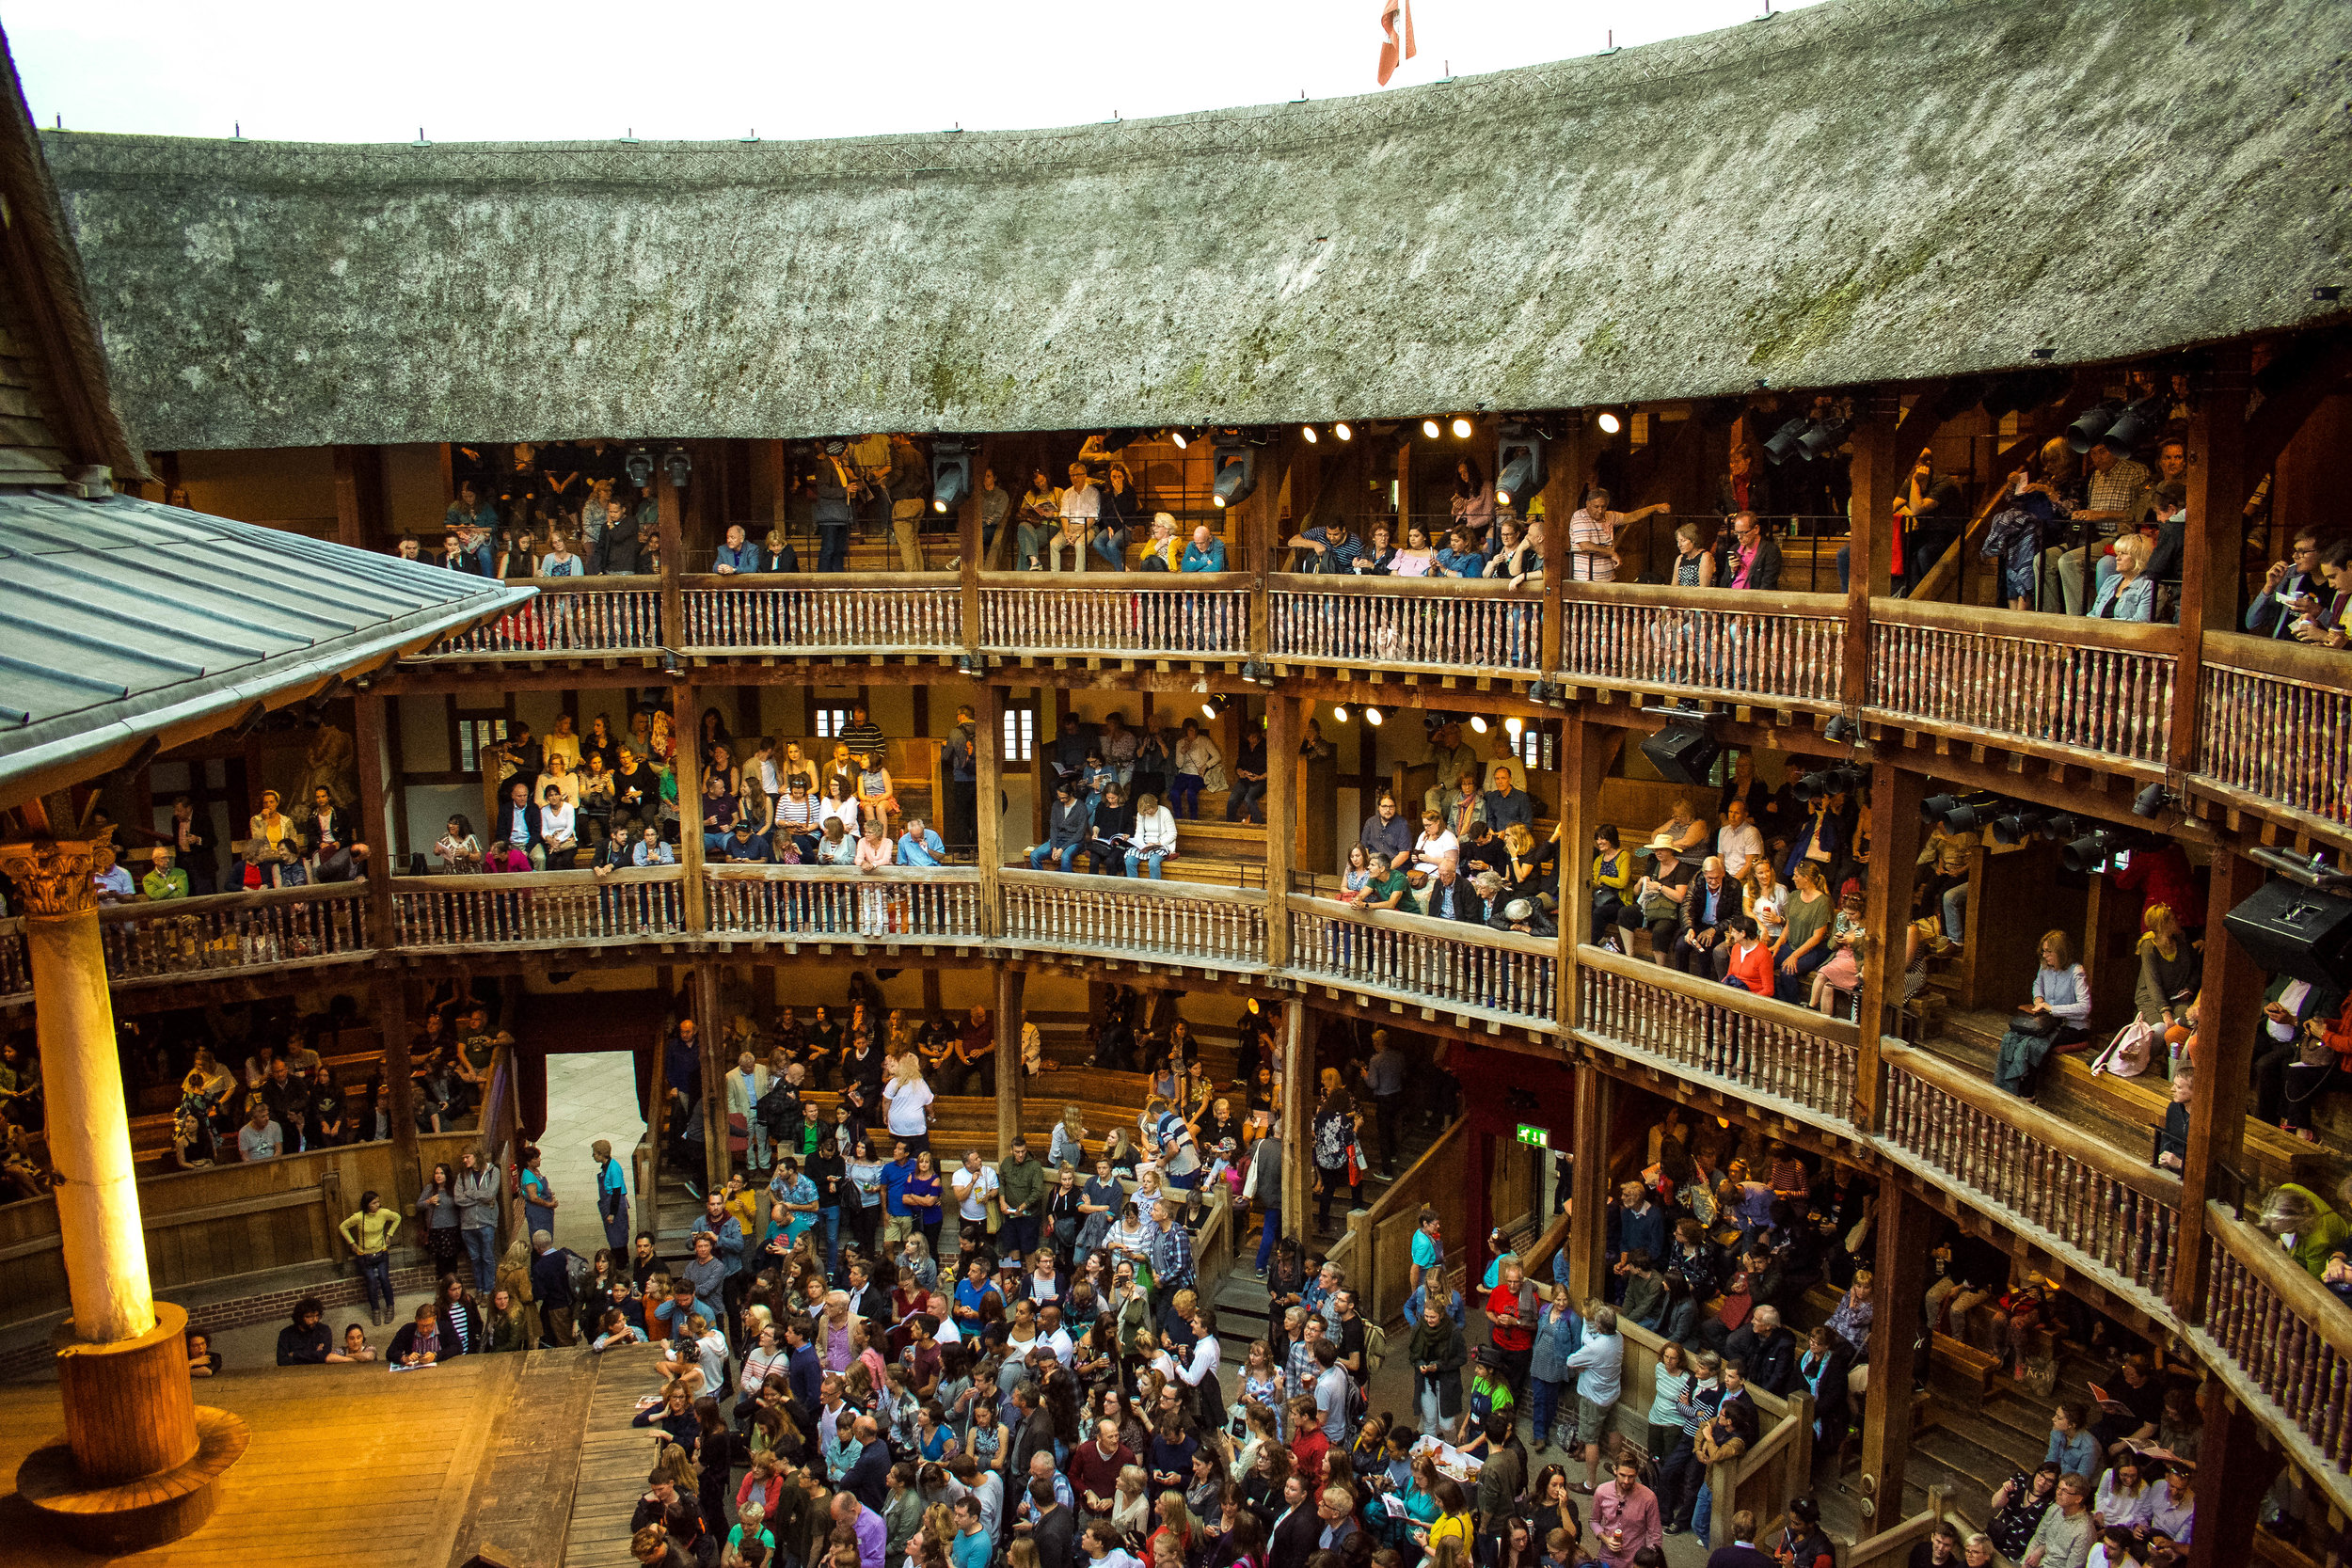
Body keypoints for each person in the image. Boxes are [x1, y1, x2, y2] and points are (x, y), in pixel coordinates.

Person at [340, 1188, 403, 1326]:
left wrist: (389, 1234)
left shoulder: (383, 1213)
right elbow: (343, 1227)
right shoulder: (359, 1217)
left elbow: (397, 1217)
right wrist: (352, 1243)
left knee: (384, 1279)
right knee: (371, 1282)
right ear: (367, 1204)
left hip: (381, 1252)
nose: (377, 1205)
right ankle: (375, 1310)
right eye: (374, 1203)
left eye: (378, 1202)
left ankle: (390, 1308)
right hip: (364, 1255)